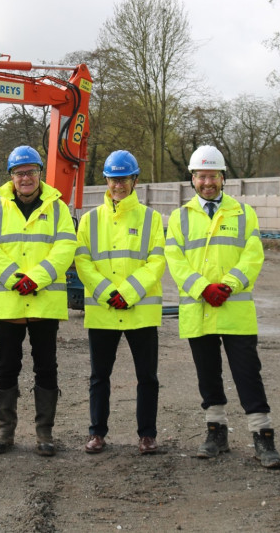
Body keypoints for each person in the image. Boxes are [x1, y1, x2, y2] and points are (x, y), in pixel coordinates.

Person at [165, 145, 280, 469]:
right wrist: (203, 288)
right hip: (199, 310)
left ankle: (263, 437)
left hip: (234, 309)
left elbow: (253, 255)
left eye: (213, 176)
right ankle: (215, 432)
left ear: (222, 178)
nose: (207, 182)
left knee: (248, 374)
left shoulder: (243, 213)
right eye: (201, 176)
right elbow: (174, 260)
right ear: (192, 178)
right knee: (208, 376)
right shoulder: (180, 217)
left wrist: (228, 285)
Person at [0, 145, 76, 456]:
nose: (25, 178)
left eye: (31, 172)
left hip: (45, 302)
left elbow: (65, 248)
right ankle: (5, 431)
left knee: (46, 367)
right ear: (11, 177)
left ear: (39, 174)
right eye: (20, 173)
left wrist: (37, 277)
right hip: (9, 303)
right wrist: (13, 277)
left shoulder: (58, 208)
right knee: (7, 366)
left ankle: (44, 433)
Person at [74, 150, 165, 455]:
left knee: (147, 377)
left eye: (124, 179)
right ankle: (97, 433)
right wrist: (106, 293)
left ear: (135, 180)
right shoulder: (89, 220)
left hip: (140, 311)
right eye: (114, 179)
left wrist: (127, 293)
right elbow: (83, 261)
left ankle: (147, 435)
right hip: (103, 311)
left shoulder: (151, 218)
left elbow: (156, 260)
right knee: (100, 376)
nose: (119, 185)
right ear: (106, 181)